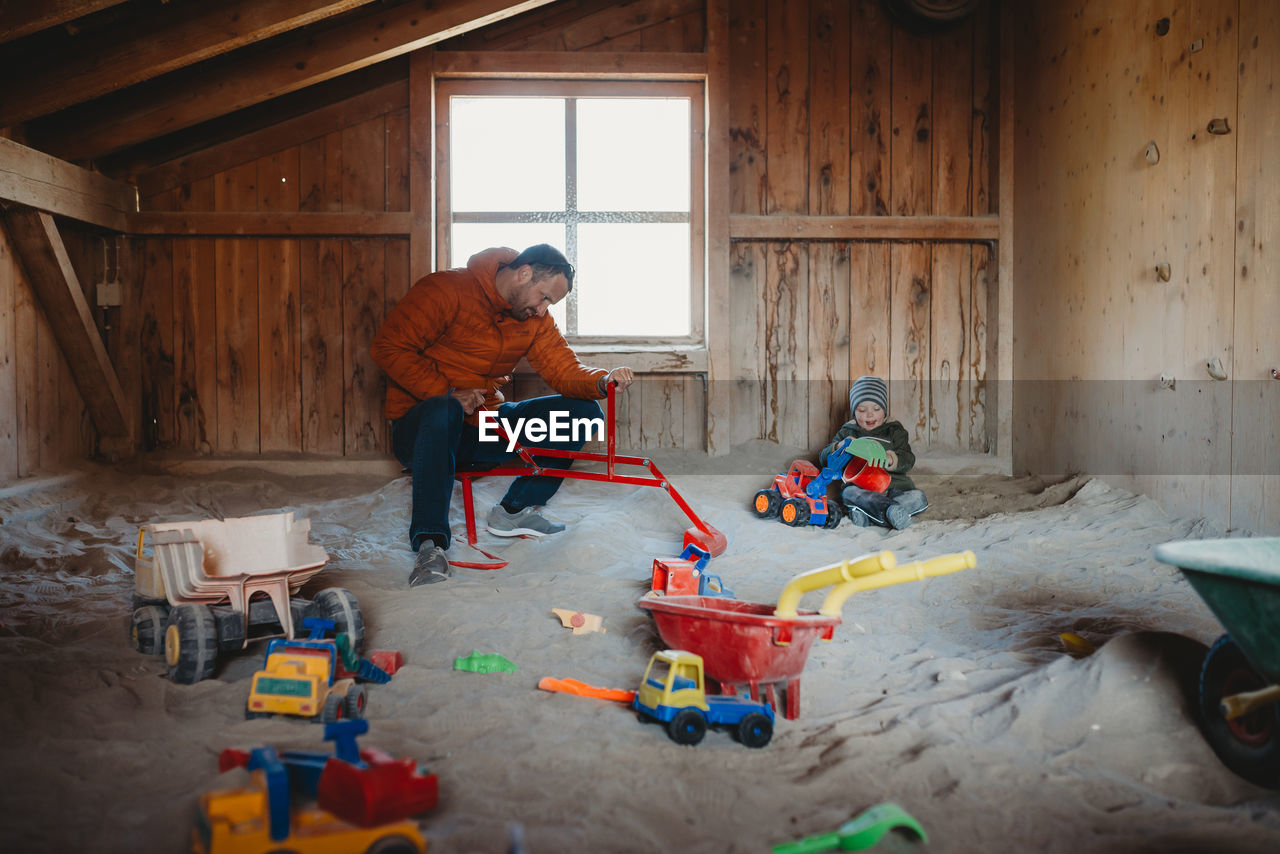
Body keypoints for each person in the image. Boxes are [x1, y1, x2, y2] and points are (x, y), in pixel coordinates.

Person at [371, 244, 634, 587]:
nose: (542, 310)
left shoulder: (533, 319)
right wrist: (446, 393)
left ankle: (514, 511)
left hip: (481, 427)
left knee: (582, 411)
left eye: (549, 305)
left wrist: (601, 380)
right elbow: (388, 347)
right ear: (524, 273)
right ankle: (429, 545)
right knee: (444, 409)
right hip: (423, 429)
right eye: (543, 298)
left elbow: (563, 369)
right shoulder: (445, 289)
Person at [817, 376, 928, 530]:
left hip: (893, 488)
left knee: (919, 498)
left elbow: (908, 458)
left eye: (876, 409)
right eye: (862, 410)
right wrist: (839, 445)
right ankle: (889, 512)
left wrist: (891, 459)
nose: (870, 415)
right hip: (862, 491)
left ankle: (870, 517)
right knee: (849, 493)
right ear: (854, 412)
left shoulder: (894, 431)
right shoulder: (848, 432)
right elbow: (824, 458)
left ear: (885, 410)